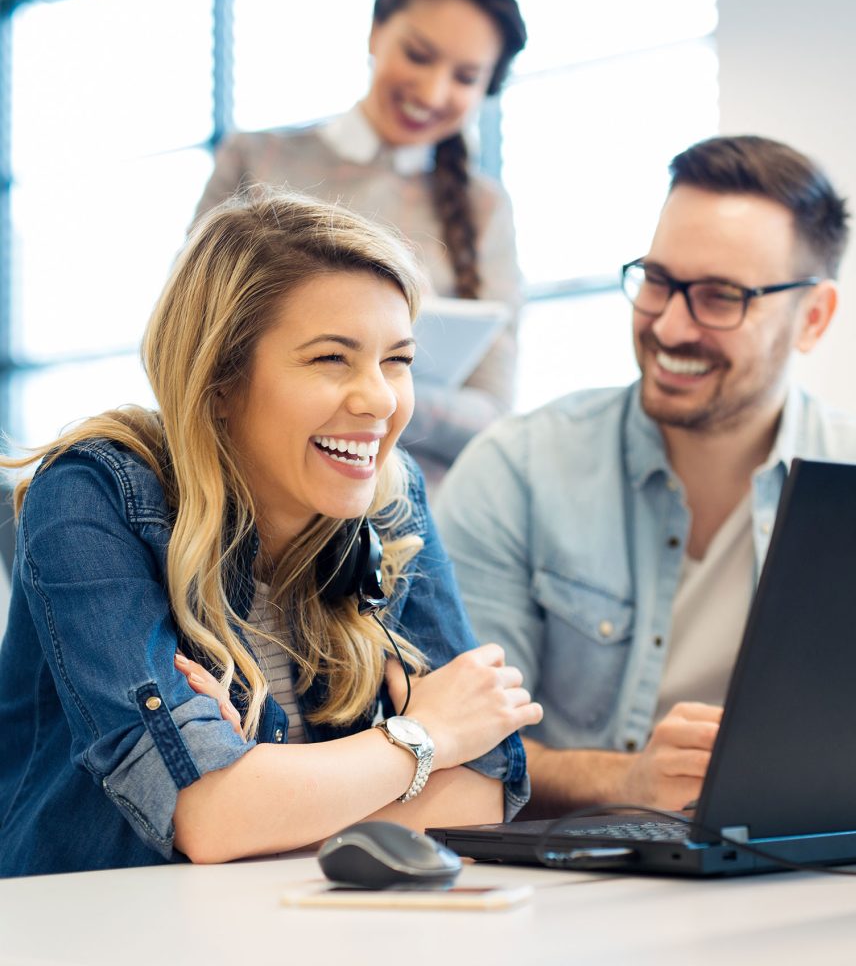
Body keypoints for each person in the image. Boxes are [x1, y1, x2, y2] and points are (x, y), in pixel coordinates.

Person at [0, 189, 542, 878]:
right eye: (330, 360)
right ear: (220, 380)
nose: (379, 398)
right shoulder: (90, 494)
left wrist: (264, 789)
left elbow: (479, 793)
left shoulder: (389, 495)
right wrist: (424, 734)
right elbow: (212, 817)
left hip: (286, 926)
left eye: (397, 360)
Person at [434, 135, 856, 817]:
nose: (669, 324)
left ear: (813, 318)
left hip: (810, 877)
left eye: (720, 297)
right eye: (658, 281)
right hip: (575, 892)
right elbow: (458, 747)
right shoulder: (515, 470)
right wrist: (627, 780)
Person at [195, 0, 527, 482]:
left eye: (465, 77)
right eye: (419, 55)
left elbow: (493, 414)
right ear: (376, 31)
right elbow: (189, 344)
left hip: (413, 517)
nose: (433, 91)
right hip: (252, 491)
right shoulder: (257, 162)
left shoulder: (485, 210)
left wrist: (362, 382)